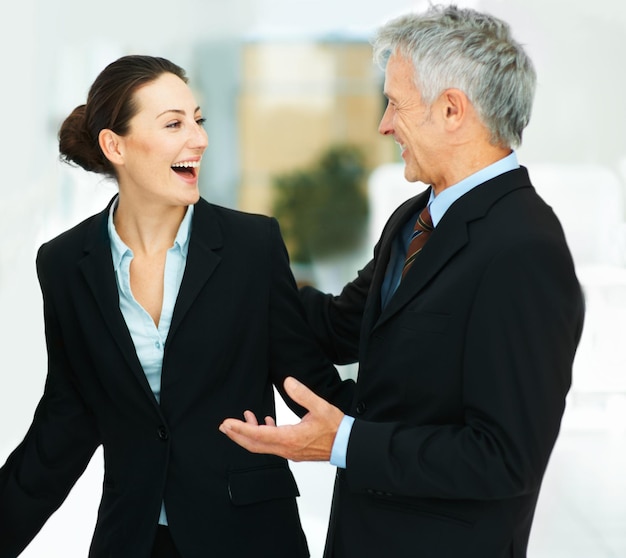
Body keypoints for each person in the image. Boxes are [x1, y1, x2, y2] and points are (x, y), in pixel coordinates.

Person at [219, 5, 585, 557]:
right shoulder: (416, 218)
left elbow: (502, 459)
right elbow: (339, 325)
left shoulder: (524, 248)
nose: (384, 124)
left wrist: (343, 441)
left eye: (394, 103)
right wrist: (225, 271)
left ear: (452, 110)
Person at [0, 55, 355, 558]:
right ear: (114, 145)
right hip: (134, 539)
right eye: (173, 124)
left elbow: (311, 387)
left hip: (250, 538)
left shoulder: (251, 246)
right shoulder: (64, 264)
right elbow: (62, 426)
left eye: (198, 120)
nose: (199, 138)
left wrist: (409, 438)